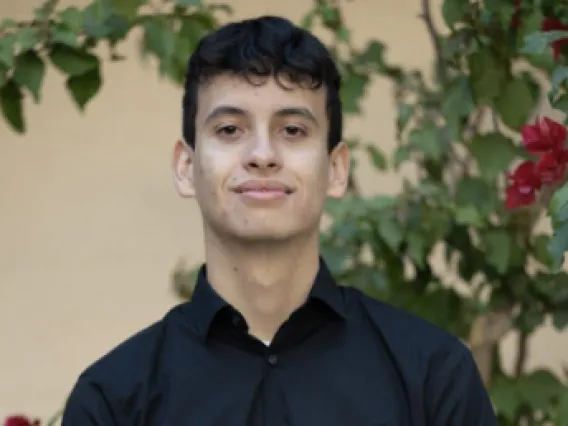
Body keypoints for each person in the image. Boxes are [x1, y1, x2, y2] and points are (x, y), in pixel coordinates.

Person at [61, 15, 497, 426]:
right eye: (230, 129)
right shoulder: (113, 401)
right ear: (185, 167)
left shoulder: (433, 378)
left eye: (292, 130)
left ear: (337, 168)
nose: (263, 155)